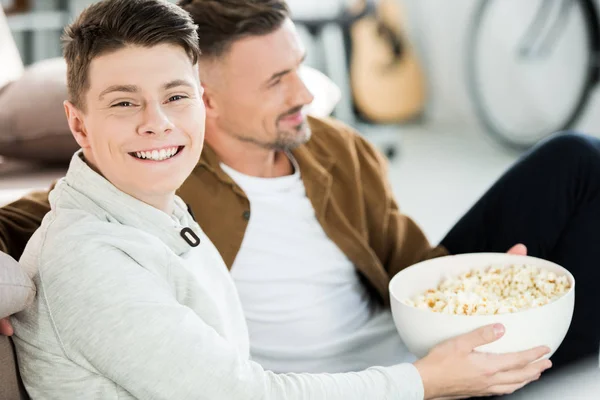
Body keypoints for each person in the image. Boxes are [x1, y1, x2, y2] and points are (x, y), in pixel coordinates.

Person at [2, 0, 593, 397]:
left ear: (191, 100)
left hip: (403, 345)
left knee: (574, 161)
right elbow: (38, 228)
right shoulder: (133, 203)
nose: (305, 93)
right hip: (351, 380)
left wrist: (480, 291)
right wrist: (423, 381)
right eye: (126, 103)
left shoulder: (323, 150)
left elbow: (407, 258)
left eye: (299, 68)